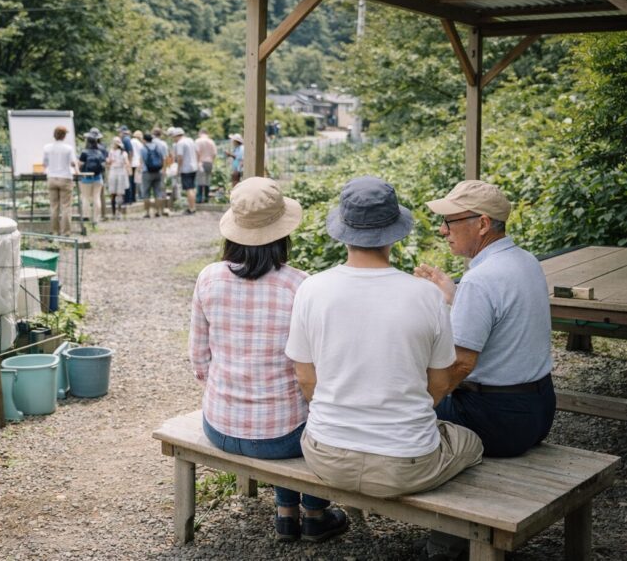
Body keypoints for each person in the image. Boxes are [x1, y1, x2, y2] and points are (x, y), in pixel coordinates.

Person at [285, 176, 483, 502]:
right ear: (394, 234)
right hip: (406, 464)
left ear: (342, 232)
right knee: (471, 443)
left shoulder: (311, 289)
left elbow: (306, 379)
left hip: (326, 454)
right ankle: (452, 540)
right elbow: (439, 384)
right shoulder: (427, 296)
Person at [189, 177, 348, 543]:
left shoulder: (208, 278)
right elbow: (318, 372)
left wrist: (235, 391)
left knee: (289, 412)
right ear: (282, 234)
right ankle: (313, 514)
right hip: (281, 437)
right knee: (312, 417)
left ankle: (285, 515)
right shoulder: (300, 285)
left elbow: (199, 359)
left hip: (220, 426)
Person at [414, 180, 555, 561]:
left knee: (400, 408)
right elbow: (501, 322)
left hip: (497, 421)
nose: (442, 230)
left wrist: (422, 402)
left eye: (449, 221)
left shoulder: (480, 279)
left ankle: (450, 530)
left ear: (481, 224)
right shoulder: (524, 261)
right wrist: (452, 295)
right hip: (539, 409)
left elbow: (461, 363)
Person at [43, 126, 79, 236]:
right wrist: (77, 168)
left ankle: (55, 232)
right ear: (64, 136)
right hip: (65, 178)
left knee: (54, 206)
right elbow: (73, 163)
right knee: (66, 206)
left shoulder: (47, 147)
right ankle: (66, 232)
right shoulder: (68, 148)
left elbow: (45, 163)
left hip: (52, 178)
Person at [78, 127, 107, 225]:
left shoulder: (84, 152)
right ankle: (96, 219)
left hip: (86, 177)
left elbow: (80, 164)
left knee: (85, 197)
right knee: (96, 197)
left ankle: (86, 216)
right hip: (98, 177)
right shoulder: (99, 152)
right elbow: (104, 164)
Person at [140, 131, 169, 218]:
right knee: (158, 192)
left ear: (144, 140)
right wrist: (164, 169)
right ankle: (158, 212)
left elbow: (141, 161)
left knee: (146, 193)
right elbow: (164, 158)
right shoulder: (158, 147)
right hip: (158, 172)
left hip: (147, 172)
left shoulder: (143, 149)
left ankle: (147, 212)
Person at [171, 127, 198, 215]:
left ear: (176, 136)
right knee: (192, 188)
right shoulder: (190, 140)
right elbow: (197, 152)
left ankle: (191, 208)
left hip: (186, 168)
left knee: (188, 189)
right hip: (194, 167)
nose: (173, 139)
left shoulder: (180, 143)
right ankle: (193, 206)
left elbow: (180, 158)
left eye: (173, 137)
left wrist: (178, 169)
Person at [105, 136, 131, 219]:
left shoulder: (122, 153)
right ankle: (115, 212)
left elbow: (126, 163)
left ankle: (117, 212)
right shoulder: (114, 152)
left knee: (118, 193)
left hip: (119, 172)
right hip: (116, 171)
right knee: (115, 193)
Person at [194, 129, 217, 203]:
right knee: (207, 180)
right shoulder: (211, 141)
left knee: (200, 181)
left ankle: (199, 199)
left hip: (201, 162)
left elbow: (197, 152)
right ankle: (206, 198)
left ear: (200, 133)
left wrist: (197, 162)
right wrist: (212, 162)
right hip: (209, 162)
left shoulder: (198, 141)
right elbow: (214, 154)